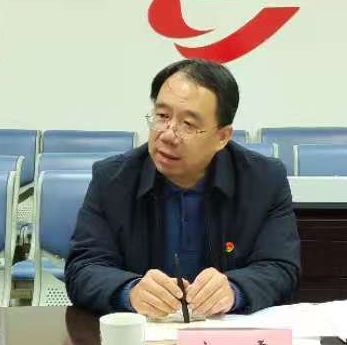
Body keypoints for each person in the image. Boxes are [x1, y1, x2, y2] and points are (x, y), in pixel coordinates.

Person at [65, 60, 300, 317]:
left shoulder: (264, 181)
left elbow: (280, 268)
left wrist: (235, 290)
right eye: (162, 116)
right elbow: (83, 268)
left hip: (225, 331)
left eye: (188, 124)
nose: (167, 135)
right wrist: (129, 291)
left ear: (222, 137)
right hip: (144, 331)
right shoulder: (112, 180)